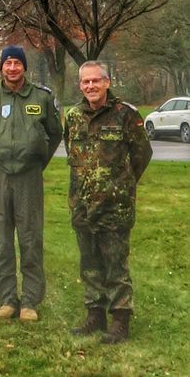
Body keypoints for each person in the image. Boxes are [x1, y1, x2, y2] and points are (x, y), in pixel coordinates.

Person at [64, 61, 151, 344]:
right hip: (82, 205)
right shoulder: (74, 116)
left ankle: (120, 319)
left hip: (115, 206)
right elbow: (72, 155)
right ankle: (95, 314)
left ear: (107, 82)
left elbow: (142, 154)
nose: (90, 86)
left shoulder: (125, 114)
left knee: (115, 264)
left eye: (95, 81)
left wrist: (120, 185)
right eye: (85, 82)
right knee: (89, 264)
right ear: (80, 85)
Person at [0, 45, 62, 322]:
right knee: (1, 237)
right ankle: (7, 299)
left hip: (29, 176)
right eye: (8, 63)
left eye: (17, 63)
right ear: (1, 67)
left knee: (30, 237)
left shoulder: (42, 97)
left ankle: (30, 302)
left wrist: (36, 161)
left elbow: (55, 134)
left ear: (25, 67)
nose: (12, 68)